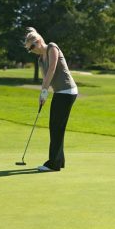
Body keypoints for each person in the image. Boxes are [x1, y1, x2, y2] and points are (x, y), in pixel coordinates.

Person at [24, 27, 78, 172]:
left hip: (67, 91)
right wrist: (43, 95)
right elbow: (45, 78)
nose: (32, 50)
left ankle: (53, 164)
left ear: (39, 41)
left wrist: (45, 91)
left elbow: (52, 70)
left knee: (56, 127)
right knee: (56, 126)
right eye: (29, 49)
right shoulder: (40, 59)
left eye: (33, 46)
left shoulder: (52, 47)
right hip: (60, 92)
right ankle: (59, 161)